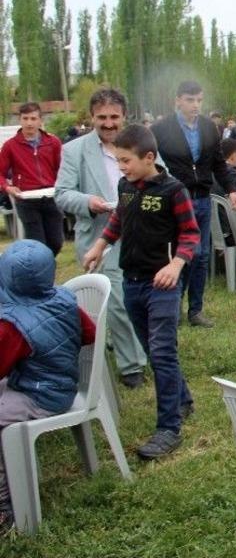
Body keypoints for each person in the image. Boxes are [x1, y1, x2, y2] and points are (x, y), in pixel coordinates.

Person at [82, 125, 197, 460]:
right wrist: (100, 245)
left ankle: (168, 428)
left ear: (149, 158)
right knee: (152, 348)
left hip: (161, 285)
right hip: (132, 282)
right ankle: (183, 399)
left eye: (126, 161)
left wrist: (175, 265)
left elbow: (190, 234)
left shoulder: (173, 191)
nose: (121, 168)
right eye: (118, 161)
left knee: (162, 351)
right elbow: (119, 218)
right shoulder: (126, 186)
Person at [0, 240, 97, 531]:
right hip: (58, 384)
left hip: (41, 396)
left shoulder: (14, 325)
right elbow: (90, 334)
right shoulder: (65, 299)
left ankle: (6, 505)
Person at [55, 87, 149, 389]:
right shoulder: (74, 151)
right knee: (118, 300)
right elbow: (62, 194)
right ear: (91, 118)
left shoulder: (141, 144)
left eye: (114, 117)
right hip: (101, 237)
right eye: (102, 117)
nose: (108, 123)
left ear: (124, 116)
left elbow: (163, 177)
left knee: (137, 299)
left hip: (140, 234)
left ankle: (130, 345)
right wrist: (87, 202)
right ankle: (132, 364)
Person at [151, 80, 236, 328]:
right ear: (178, 100)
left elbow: (219, 164)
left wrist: (231, 189)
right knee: (184, 254)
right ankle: (175, 305)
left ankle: (196, 310)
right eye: (190, 100)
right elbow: (154, 164)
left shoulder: (210, 128)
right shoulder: (161, 129)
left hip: (203, 198)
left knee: (201, 257)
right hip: (177, 200)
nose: (195, 105)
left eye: (199, 100)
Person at [0, 102, 65, 255]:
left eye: (33, 118)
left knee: (56, 242)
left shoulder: (53, 143)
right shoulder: (10, 146)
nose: (29, 123)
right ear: (20, 120)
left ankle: (47, 267)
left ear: (40, 120)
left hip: (51, 197)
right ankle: (43, 273)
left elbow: (62, 169)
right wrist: (8, 187)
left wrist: (62, 186)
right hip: (26, 199)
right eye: (25, 118)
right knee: (38, 244)